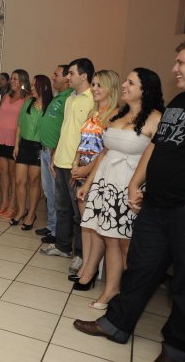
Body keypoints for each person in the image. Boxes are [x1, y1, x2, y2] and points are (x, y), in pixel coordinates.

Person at [73, 36, 185, 362]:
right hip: (154, 204)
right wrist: (135, 183)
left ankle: (179, 349)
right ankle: (116, 324)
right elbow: (157, 146)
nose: (174, 68)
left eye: (182, 62)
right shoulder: (180, 102)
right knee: (140, 270)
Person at [76, 68, 163, 308]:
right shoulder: (118, 115)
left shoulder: (156, 119)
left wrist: (142, 190)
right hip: (106, 183)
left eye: (131, 83)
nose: (124, 85)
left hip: (130, 187)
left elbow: (157, 159)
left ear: (146, 90)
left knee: (127, 243)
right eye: (125, 81)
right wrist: (88, 184)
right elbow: (104, 152)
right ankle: (111, 291)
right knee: (110, 239)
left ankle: (129, 298)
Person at [40, 58, 95, 271]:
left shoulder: (92, 99)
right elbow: (65, 129)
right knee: (61, 207)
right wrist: (55, 154)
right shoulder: (71, 98)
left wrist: (79, 164)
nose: (68, 77)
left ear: (84, 76)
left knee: (78, 213)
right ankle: (62, 246)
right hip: (61, 159)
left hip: (76, 165)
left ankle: (80, 254)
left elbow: (89, 137)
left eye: (71, 73)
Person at [67, 69, 120, 283]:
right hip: (81, 172)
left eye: (99, 85)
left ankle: (91, 270)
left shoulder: (115, 115)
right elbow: (83, 142)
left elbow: (104, 151)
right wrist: (75, 163)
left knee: (93, 225)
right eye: (94, 84)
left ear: (111, 88)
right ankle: (86, 267)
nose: (95, 89)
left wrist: (86, 170)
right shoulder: (93, 112)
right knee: (85, 224)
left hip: (97, 175)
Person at [11, 74, 52, 229]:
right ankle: (22, 210)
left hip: (39, 148)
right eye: (32, 85)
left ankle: (31, 214)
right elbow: (19, 125)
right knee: (19, 181)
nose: (32, 88)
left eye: (35, 85)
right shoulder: (27, 103)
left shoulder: (50, 106)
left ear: (44, 87)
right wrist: (16, 145)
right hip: (24, 145)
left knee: (34, 182)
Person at [37, 65, 72, 241]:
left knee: (57, 195)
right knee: (48, 192)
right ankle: (51, 226)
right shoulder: (58, 97)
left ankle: (58, 232)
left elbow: (66, 128)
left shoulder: (69, 98)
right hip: (45, 150)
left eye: (56, 75)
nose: (53, 77)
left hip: (54, 153)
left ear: (66, 78)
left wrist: (55, 150)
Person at [0, 69, 29, 219]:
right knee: (3, 172)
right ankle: (4, 202)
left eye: (15, 79)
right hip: (1, 138)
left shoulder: (27, 99)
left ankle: (13, 204)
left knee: (14, 174)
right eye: (11, 79)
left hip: (15, 141)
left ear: (22, 81)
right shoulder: (5, 96)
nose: (12, 81)